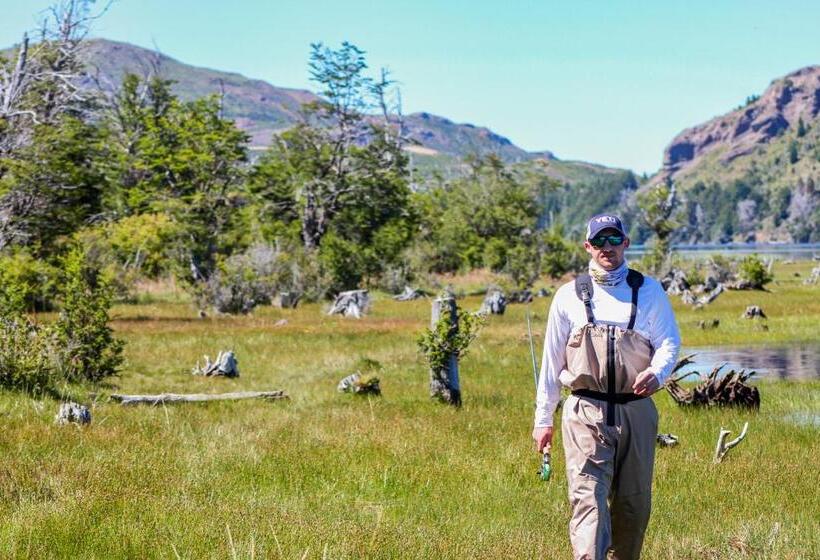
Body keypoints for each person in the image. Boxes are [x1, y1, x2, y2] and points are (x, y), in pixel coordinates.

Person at [532, 214, 680, 560]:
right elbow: (551, 362)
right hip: (584, 411)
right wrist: (543, 419)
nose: (607, 248)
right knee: (589, 503)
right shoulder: (568, 296)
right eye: (599, 241)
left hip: (637, 410)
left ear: (626, 244)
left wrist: (657, 373)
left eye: (614, 240)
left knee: (634, 507)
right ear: (588, 246)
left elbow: (669, 342)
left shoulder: (649, 290)